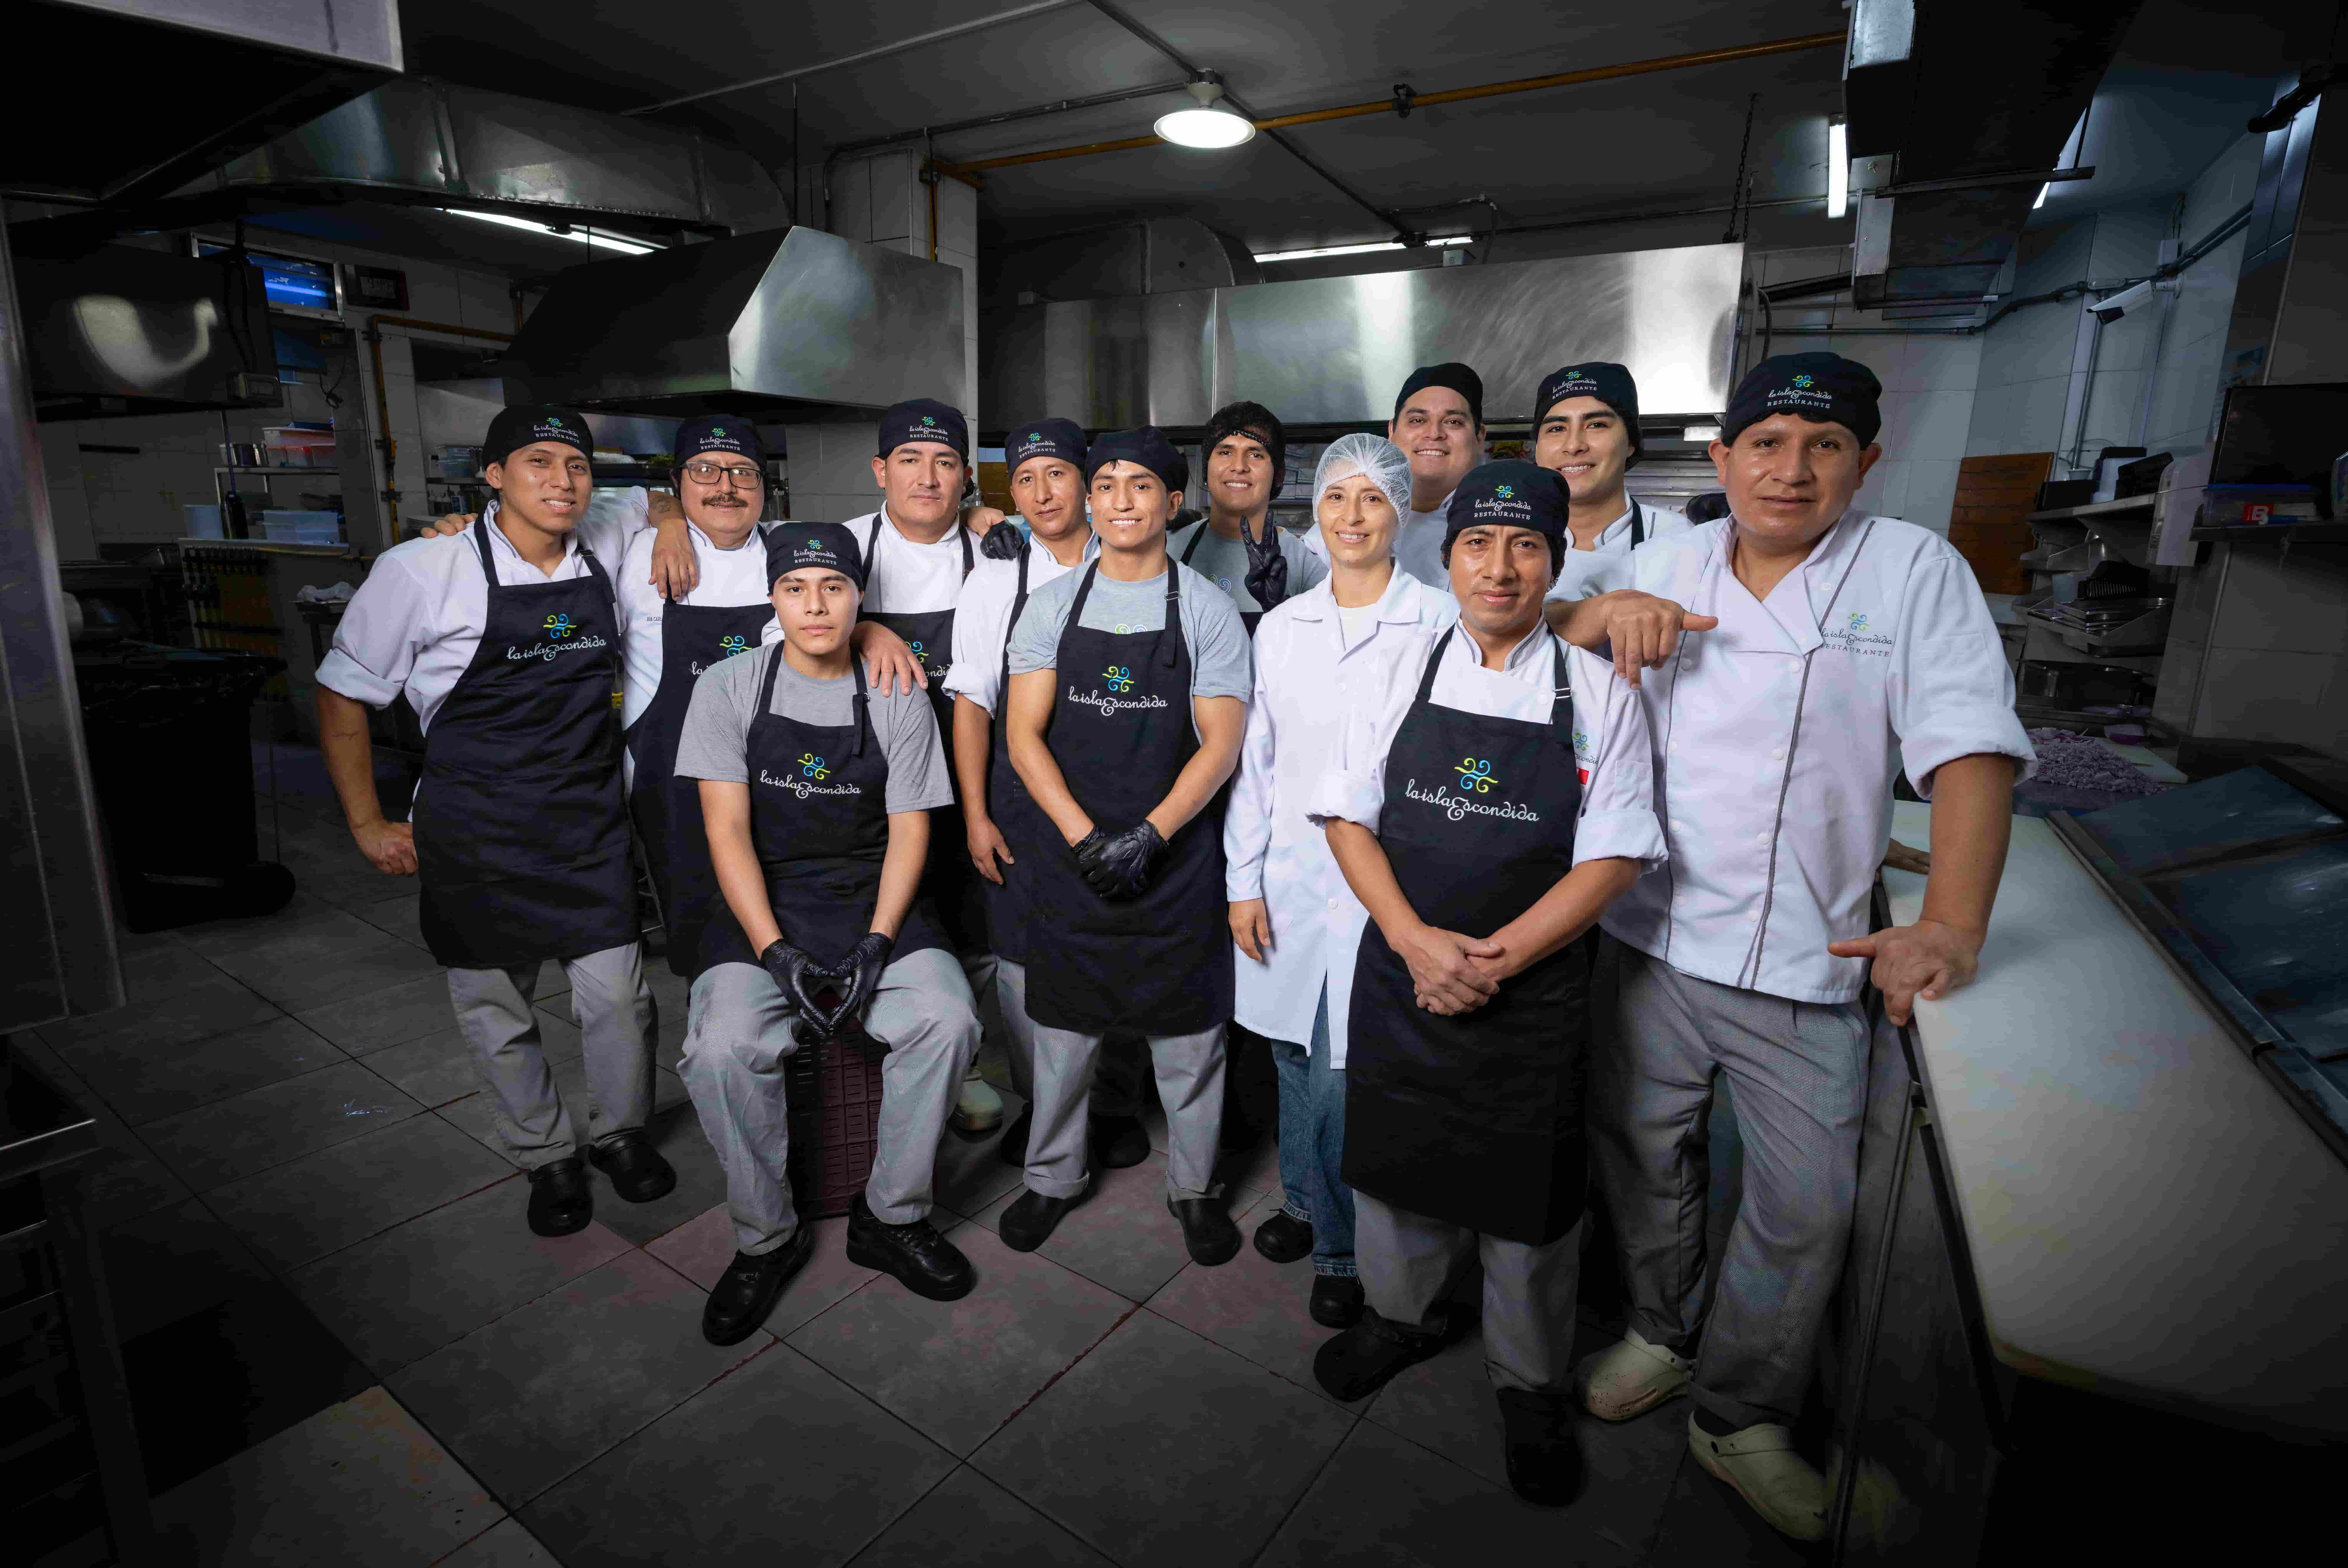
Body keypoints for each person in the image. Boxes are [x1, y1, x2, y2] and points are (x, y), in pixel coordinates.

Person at [1573, 353, 2034, 1540]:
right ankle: (1661, 1329)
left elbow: (1967, 744)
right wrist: (1593, 612)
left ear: (1864, 462)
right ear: (1721, 457)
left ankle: (1740, 1409)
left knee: (1806, 1204)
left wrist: (1950, 922)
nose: (1789, 469)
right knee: (1642, 1155)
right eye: (1765, 442)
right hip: (1652, 934)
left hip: (1809, 953)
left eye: (1822, 445)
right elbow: (1555, 620)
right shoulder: (1668, 559)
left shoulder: (1910, 569)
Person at [1304, 459, 1662, 1508]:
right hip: (1403, 972)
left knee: (1528, 1203)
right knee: (1394, 1169)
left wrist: (1494, 960)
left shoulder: (1599, 691)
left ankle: (1529, 1381)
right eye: (1477, 543)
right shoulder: (1394, 670)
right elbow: (1346, 818)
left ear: (1553, 560)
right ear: (1450, 556)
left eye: (1524, 546)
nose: (1499, 567)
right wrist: (1415, 942)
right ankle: (1400, 1316)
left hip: (1532, 993)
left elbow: (1615, 855)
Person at [315, 405, 673, 1237]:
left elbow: (667, 496)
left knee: (620, 999)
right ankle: (545, 1154)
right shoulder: (421, 569)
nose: (562, 480)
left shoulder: (604, 530)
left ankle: (620, 1134)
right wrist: (367, 823)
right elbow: (341, 694)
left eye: (576, 465)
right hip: (477, 825)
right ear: (494, 475)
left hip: (586, 821)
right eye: (537, 462)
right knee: (497, 1008)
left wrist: (665, 519)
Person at [673, 522, 982, 1341]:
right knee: (721, 1046)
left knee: (947, 1019)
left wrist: (880, 942)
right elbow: (726, 832)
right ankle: (766, 1236)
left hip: (877, 892)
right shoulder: (729, 687)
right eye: (796, 589)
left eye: (834, 587)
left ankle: (892, 1213)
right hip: (763, 899)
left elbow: (912, 830)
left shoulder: (895, 690)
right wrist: (772, 950)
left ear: (858, 597)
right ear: (773, 600)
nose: (815, 605)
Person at [997, 428, 1252, 1263]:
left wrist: (1150, 834)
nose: (1119, 501)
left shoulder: (1207, 608)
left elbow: (1221, 743)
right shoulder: (1050, 606)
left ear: (1172, 503)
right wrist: (1084, 838)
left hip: (1175, 860)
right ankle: (1051, 1176)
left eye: (1139, 485)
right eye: (1105, 484)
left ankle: (1195, 1188)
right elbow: (1023, 735)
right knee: (1063, 1037)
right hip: (1071, 858)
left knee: (1191, 1041)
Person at [1223, 434, 1455, 1330]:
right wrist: (1242, 881)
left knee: (1340, 1073)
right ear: (1313, 511)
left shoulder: (1439, 620)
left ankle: (1340, 1249)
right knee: (1290, 1051)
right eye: (1335, 498)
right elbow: (1256, 764)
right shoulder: (1283, 627)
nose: (1351, 516)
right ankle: (1299, 1198)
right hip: (1287, 873)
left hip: (1384, 887)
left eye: (1371, 499)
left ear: (1399, 510)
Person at [942, 418, 1149, 1170]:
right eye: (1024, 479)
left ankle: (1115, 1101)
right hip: (1019, 797)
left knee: (1116, 942)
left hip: (1116, 787)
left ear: (1088, 484)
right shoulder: (994, 577)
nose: (1041, 493)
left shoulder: (1131, 556)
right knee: (1022, 959)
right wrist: (976, 813)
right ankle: (1044, 1108)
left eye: (1056, 474)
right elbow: (973, 702)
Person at [848, 399, 1005, 1133]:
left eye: (944, 463)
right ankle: (876, 1056)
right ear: (881, 470)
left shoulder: (995, 549)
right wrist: (864, 627)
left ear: (965, 477)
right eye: (909, 460)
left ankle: (961, 1062)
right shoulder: (848, 545)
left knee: (974, 923)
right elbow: (782, 628)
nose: (927, 477)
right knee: (889, 914)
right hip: (872, 775)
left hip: (976, 766)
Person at [1527, 363, 1695, 602]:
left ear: (1631, 443)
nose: (1574, 445)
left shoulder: (1684, 539)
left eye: (1596, 425)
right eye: (1557, 428)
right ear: (1537, 448)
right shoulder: (1499, 541)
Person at [1165, 400, 1329, 634]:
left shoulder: (1304, 564)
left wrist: (1282, 611)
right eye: (1226, 452)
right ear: (1206, 469)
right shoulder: (1169, 547)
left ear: (1278, 474)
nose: (1239, 466)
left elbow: (1330, 646)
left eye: (1255, 454)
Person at [1386, 362, 1488, 589]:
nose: (1434, 434)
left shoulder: (1510, 523)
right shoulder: (1347, 522)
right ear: (1392, 431)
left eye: (1453, 422)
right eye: (1418, 421)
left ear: (1479, 437)